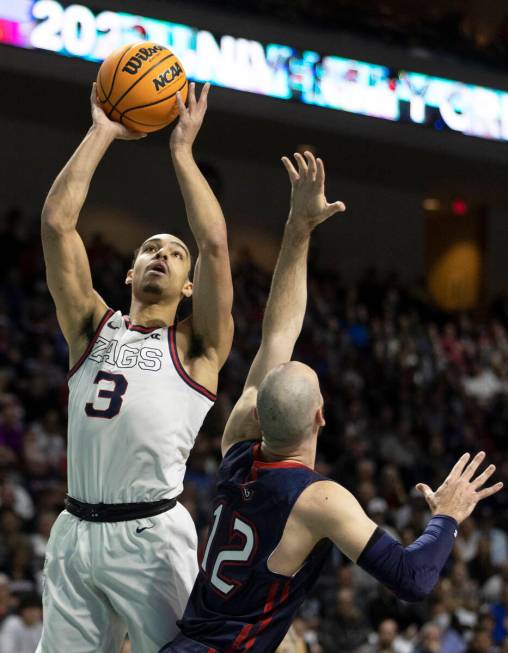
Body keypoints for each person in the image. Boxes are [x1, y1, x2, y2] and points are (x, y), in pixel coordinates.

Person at [160, 151, 503, 653]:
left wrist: (298, 227)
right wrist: (447, 517)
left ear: (258, 411)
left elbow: (279, 330)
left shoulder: (237, 441)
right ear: (321, 415)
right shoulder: (320, 498)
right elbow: (412, 579)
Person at [37, 81, 233, 653]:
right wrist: (102, 131)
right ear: (129, 272)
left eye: (175, 254)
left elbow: (216, 243)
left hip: (151, 537)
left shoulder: (198, 348)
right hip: (74, 532)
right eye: (151, 248)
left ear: (189, 285)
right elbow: (56, 224)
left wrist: (181, 153)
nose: (162, 256)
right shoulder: (89, 327)